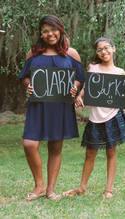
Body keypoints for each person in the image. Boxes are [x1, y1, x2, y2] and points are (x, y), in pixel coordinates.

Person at [19, 15, 84, 201]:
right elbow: (24, 76)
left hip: (60, 106)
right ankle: (39, 185)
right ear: (41, 33)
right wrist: (28, 85)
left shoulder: (71, 53)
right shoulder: (33, 53)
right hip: (37, 105)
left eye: (53, 30)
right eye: (45, 31)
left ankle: (50, 190)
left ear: (60, 29)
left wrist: (75, 87)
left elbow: (80, 77)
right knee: (29, 144)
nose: (50, 34)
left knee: (55, 148)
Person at [63, 37, 125, 199]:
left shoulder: (120, 72)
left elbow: (122, 92)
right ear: (97, 53)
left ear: (113, 49)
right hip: (95, 117)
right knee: (90, 153)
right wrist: (79, 97)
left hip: (113, 115)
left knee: (111, 152)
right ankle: (82, 187)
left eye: (107, 48)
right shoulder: (93, 68)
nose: (104, 51)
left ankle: (108, 190)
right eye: (100, 49)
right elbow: (87, 88)